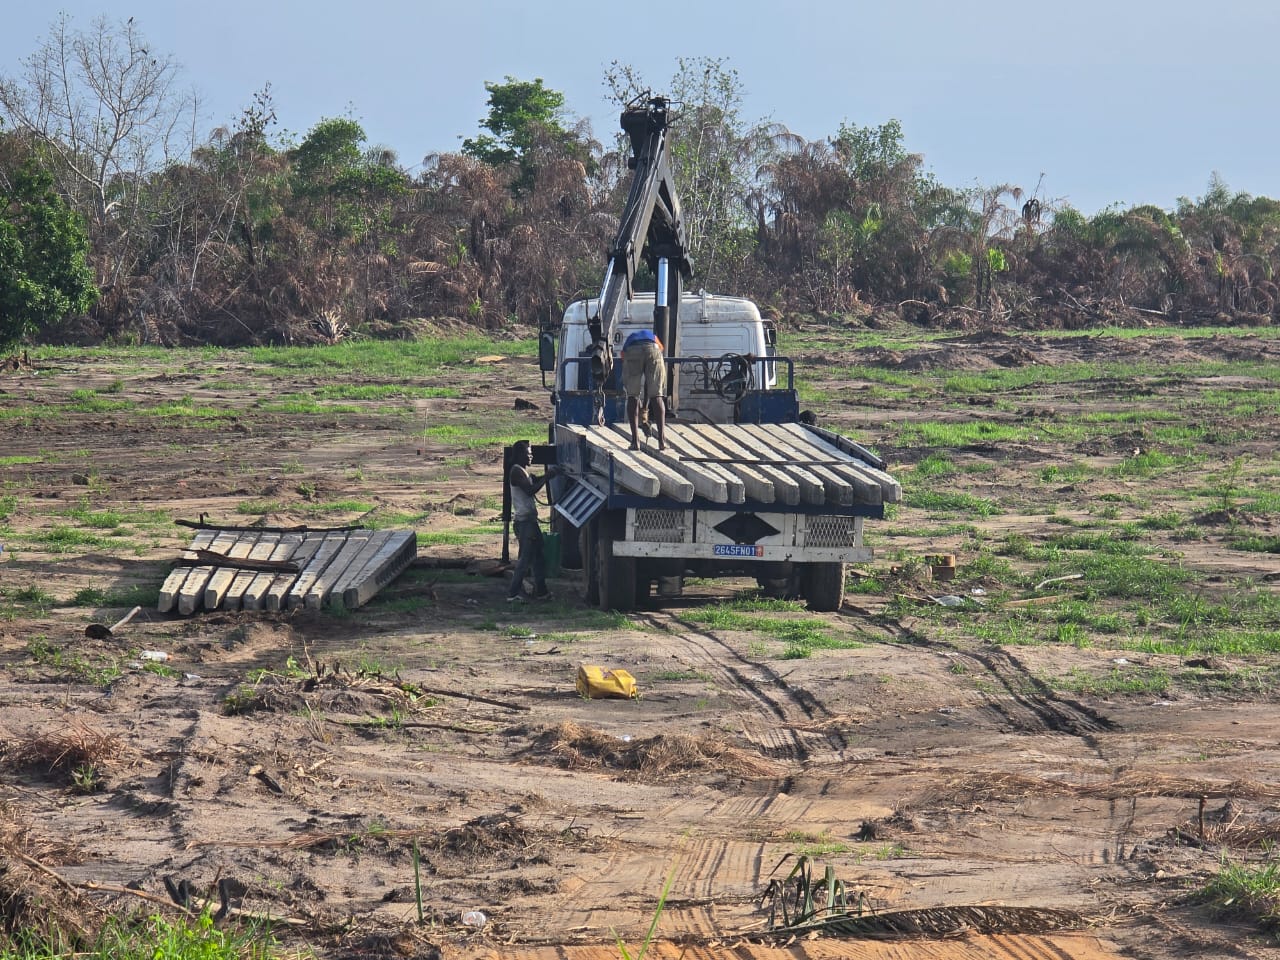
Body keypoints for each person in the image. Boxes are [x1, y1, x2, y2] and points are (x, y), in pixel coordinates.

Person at [507, 440, 556, 602]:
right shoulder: (516, 471)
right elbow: (530, 490)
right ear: (519, 455)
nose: (531, 456)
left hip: (530, 521)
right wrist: (547, 477)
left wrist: (547, 476)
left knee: (538, 558)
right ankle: (512, 594)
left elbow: (533, 482)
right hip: (525, 523)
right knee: (525, 559)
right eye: (528, 454)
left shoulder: (523, 472)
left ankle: (542, 592)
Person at [621, 328, 667, 451]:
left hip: (632, 350)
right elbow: (649, 382)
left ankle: (635, 442)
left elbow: (623, 357)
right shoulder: (655, 339)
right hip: (653, 349)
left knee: (632, 396)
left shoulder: (629, 341)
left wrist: (643, 407)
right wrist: (645, 406)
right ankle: (662, 441)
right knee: (657, 395)